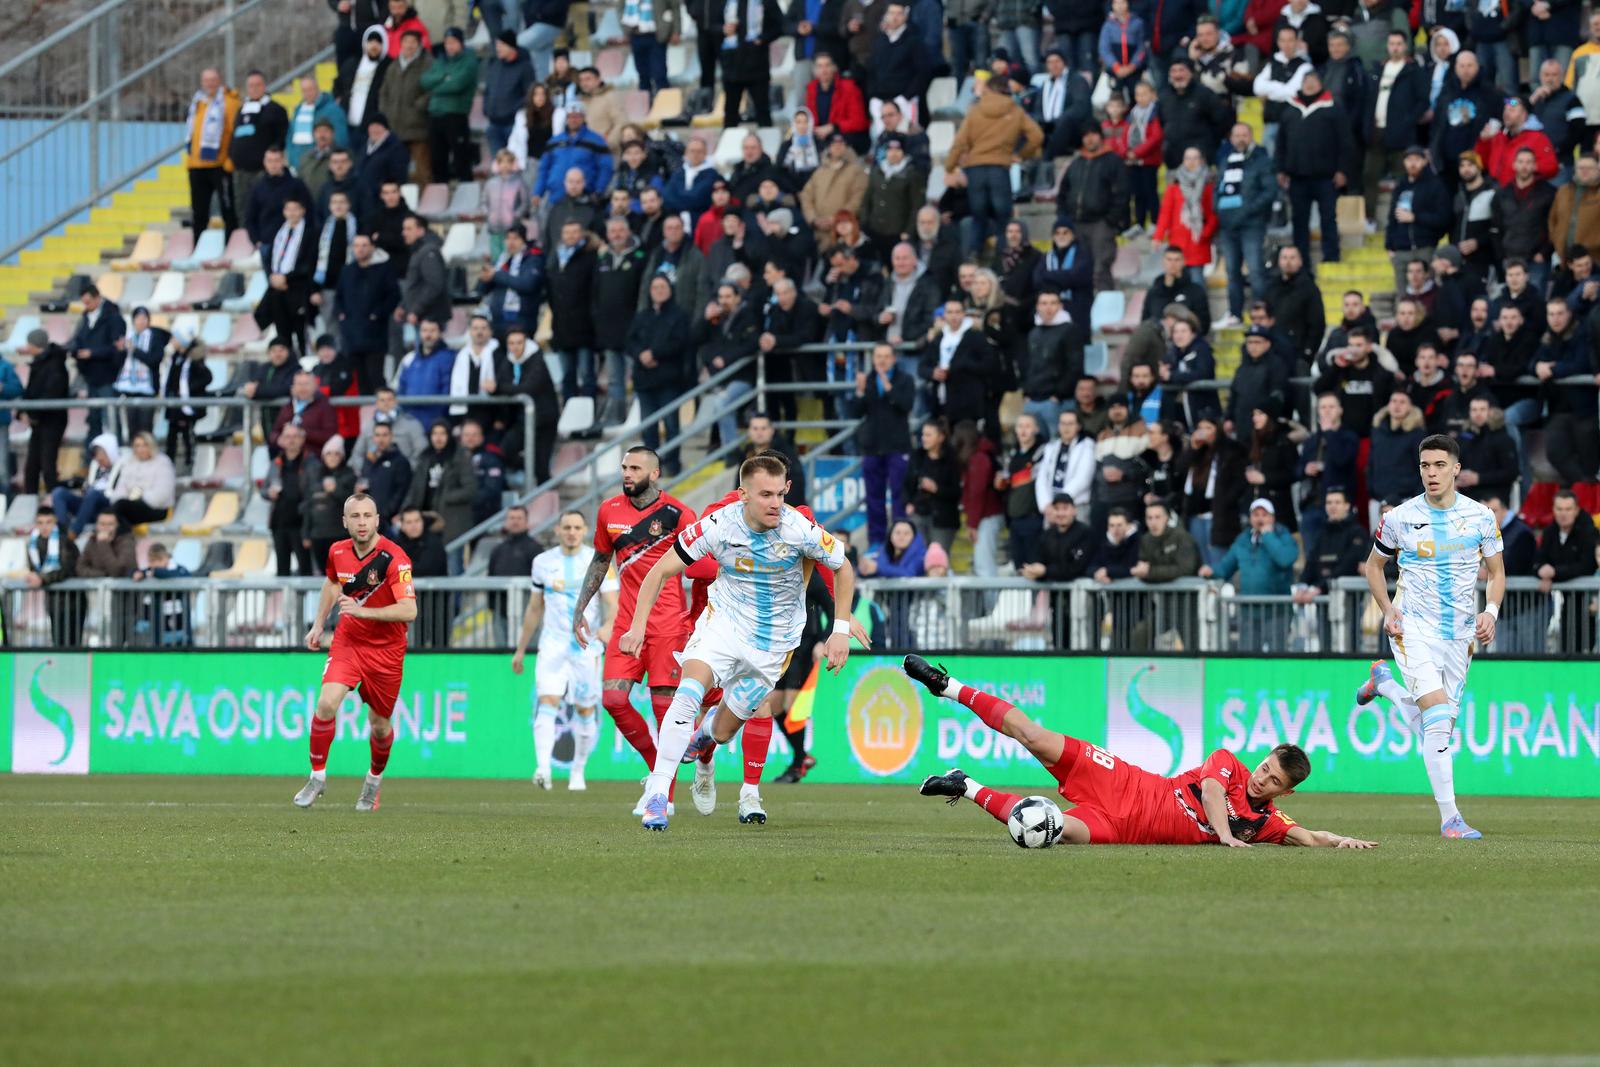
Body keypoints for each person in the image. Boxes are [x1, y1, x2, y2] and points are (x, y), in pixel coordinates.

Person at [907, 657, 1376, 848]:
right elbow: (1212, 792)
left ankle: (964, 785)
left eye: (1274, 781)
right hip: (1121, 780)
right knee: (1032, 734)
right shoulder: (1229, 763)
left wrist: (1342, 841)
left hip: (1119, 828)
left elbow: (1309, 838)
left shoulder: (1266, 822)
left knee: (1046, 828)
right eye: (1266, 767)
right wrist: (1226, 838)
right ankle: (950, 687)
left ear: (1285, 793)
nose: (1262, 778)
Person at [625, 454, 858, 829]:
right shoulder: (718, 525)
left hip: (773, 645)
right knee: (687, 693)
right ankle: (656, 793)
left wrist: (840, 629)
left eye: (780, 494)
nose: (775, 503)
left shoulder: (799, 529)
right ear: (742, 494)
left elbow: (843, 567)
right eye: (765, 494)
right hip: (723, 627)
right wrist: (637, 627)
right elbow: (660, 570)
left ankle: (703, 739)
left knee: (724, 730)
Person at [1355, 434, 1504, 839]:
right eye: (1425, 466)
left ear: (1456, 468)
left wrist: (1490, 612)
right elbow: (1373, 568)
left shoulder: (1480, 517)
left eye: (1439, 465)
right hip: (1413, 629)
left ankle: (1384, 686)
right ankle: (1450, 818)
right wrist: (1389, 612)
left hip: (1460, 635)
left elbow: (1496, 572)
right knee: (1437, 720)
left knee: (1434, 726)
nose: (1431, 473)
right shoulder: (1399, 517)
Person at [294, 493, 418, 812]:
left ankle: (373, 781)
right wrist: (318, 625)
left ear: (377, 520)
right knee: (326, 703)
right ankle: (317, 777)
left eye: (367, 516)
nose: (361, 522)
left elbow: (409, 610)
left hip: (386, 651)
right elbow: (333, 584)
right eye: (355, 516)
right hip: (349, 641)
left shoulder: (395, 558)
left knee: (379, 725)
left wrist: (363, 611)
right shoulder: (337, 551)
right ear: (345, 521)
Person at [511, 510, 619, 791]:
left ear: (585, 531)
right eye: (567, 527)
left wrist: (608, 626)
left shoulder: (598, 561)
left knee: (585, 709)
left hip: (586, 647)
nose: (571, 532)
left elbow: (613, 603)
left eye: (577, 527)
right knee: (547, 701)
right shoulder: (542, 563)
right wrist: (521, 649)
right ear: (558, 530)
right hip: (552, 644)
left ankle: (578, 771)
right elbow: (535, 608)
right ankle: (543, 770)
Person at [943, 75, 1044, 259]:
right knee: (1004, 220)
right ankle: (1002, 260)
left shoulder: (975, 110)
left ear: (988, 89)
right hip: (1000, 169)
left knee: (978, 218)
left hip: (976, 170)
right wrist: (1020, 155)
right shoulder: (1015, 110)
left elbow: (959, 142)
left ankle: (972, 256)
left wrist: (949, 167)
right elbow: (1037, 136)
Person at [1277, 69, 1354, 265]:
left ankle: (1331, 256)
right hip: (1297, 177)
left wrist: (1342, 170)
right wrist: (1281, 169)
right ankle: (1300, 261)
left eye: (1313, 81)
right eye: (1306, 81)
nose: (1309, 85)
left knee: (1328, 219)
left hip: (1326, 176)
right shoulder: (1290, 110)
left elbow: (1346, 143)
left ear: (1321, 84)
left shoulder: (1333, 108)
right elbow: (1281, 143)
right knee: (1299, 221)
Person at [628, 275, 693, 475]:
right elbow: (630, 340)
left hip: (668, 380)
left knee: (672, 425)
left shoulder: (679, 315)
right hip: (645, 381)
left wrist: (654, 354)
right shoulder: (642, 315)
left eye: (663, 287)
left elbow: (679, 343)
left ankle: (673, 465)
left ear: (670, 289)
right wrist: (641, 355)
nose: (659, 290)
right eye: (655, 287)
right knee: (649, 428)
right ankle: (651, 467)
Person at [403, 421, 477, 571]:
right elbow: (415, 488)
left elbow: (470, 489)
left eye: (442, 433)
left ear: (449, 436)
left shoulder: (460, 456)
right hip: (425, 521)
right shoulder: (425, 457)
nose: (438, 438)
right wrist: (405, 509)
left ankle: (455, 596)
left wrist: (445, 497)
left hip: (452, 523)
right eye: (435, 434)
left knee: (453, 567)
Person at [493, 327, 561, 485]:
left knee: (542, 468)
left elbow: (528, 388)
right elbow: (502, 385)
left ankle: (547, 499)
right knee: (504, 451)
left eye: (519, 343)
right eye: (511, 343)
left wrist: (498, 388)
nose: (515, 347)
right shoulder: (507, 361)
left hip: (544, 420)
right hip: (523, 420)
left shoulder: (537, 360)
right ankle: (528, 467)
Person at [69, 284, 127, 454]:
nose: (86, 306)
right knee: (93, 419)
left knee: (111, 417)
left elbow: (118, 348)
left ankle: (117, 454)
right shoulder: (86, 319)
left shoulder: (114, 318)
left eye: (88, 302)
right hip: (90, 376)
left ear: (97, 298)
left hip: (107, 376)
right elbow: (78, 340)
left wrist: (93, 353)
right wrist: (75, 351)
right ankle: (93, 457)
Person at [184, 68, 240, 236]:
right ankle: (198, 247)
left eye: (213, 80)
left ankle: (230, 244)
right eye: (207, 80)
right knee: (198, 211)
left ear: (220, 81)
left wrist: (230, 160)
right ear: (202, 82)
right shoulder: (198, 102)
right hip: (197, 165)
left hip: (219, 164)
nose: (210, 84)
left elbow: (234, 132)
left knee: (227, 209)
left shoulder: (229, 103)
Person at [420, 27, 480, 183]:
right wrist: (443, 77)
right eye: (447, 43)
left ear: (461, 43)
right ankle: (441, 191)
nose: (449, 46)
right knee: (437, 159)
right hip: (435, 115)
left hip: (456, 114)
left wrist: (437, 86)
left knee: (461, 157)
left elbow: (457, 84)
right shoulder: (440, 61)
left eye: (453, 42)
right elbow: (425, 81)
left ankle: (466, 192)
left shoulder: (469, 61)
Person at [376, 28, 433, 184]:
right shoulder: (393, 66)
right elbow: (384, 92)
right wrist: (385, 113)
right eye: (406, 42)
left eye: (413, 42)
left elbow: (432, 91)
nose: (409, 46)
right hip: (395, 129)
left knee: (420, 172)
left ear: (419, 44)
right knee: (397, 172)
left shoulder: (427, 64)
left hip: (418, 129)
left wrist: (418, 107)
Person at [18, 329, 70, 496]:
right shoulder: (40, 363)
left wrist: (32, 415)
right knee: (32, 466)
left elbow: (52, 394)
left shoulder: (55, 365)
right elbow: (30, 391)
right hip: (39, 421)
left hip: (52, 421)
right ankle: (30, 500)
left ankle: (54, 502)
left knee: (48, 465)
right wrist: (23, 412)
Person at [24, 506, 84, 646]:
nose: (44, 527)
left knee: (73, 644)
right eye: (40, 523)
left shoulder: (65, 541)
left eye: (48, 522)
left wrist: (42, 579)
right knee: (58, 643)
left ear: (55, 522)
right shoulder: (32, 544)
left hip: (74, 602)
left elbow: (67, 569)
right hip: (54, 602)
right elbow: (34, 568)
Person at [267, 425, 313, 575]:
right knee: (281, 569)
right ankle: (284, 599)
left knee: (305, 568)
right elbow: (264, 488)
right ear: (282, 440)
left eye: (295, 436)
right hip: (279, 522)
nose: (291, 440)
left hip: (300, 523)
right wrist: (268, 493)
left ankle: (309, 600)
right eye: (287, 437)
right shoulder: (277, 462)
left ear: (302, 439)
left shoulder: (310, 462)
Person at [109, 432, 177, 529]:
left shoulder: (163, 462)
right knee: (114, 510)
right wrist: (127, 498)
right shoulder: (130, 462)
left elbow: (163, 493)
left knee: (120, 508)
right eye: (137, 446)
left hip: (155, 507)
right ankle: (123, 534)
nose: (140, 449)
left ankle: (119, 536)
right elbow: (121, 487)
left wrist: (139, 498)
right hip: (130, 504)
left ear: (151, 446)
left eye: (144, 445)